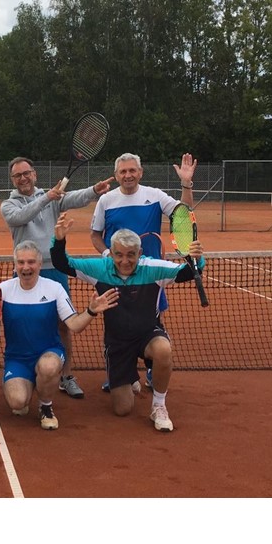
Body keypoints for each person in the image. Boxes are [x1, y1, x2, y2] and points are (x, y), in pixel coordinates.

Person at [51, 214, 205, 432]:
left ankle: (159, 406)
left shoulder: (153, 268)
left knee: (163, 349)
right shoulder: (99, 269)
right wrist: (59, 240)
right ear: (111, 253)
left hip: (148, 334)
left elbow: (187, 273)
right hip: (118, 342)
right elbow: (62, 263)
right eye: (119, 255)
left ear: (139, 253)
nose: (125, 261)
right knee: (122, 409)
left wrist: (196, 258)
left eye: (131, 255)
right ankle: (129, 376)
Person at [0, 157, 113, 399]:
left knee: (63, 324)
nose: (23, 178)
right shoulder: (8, 205)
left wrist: (94, 190)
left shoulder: (51, 197)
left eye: (26, 173)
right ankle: (21, 370)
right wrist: (47, 198)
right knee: (19, 323)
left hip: (55, 270)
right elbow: (20, 217)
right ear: (12, 180)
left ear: (34, 174)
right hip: (25, 271)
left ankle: (66, 376)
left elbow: (74, 198)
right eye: (17, 175)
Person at [90, 152, 197, 391]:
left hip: (150, 276)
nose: (128, 175)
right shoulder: (106, 200)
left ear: (140, 172)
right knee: (115, 322)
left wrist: (186, 183)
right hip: (116, 275)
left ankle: (151, 369)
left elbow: (184, 214)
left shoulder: (155, 196)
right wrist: (107, 255)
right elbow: (95, 235)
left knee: (153, 320)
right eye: (123, 171)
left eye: (132, 170)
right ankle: (120, 372)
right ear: (116, 175)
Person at [0, 241, 104, 430]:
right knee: (17, 403)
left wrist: (91, 311)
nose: (26, 267)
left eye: (31, 262)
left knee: (48, 367)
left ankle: (45, 406)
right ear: (15, 265)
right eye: (21, 262)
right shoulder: (3, 289)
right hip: (17, 358)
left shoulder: (54, 288)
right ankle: (31, 382)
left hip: (49, 352)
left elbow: (75, 325)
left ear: (40, 264)